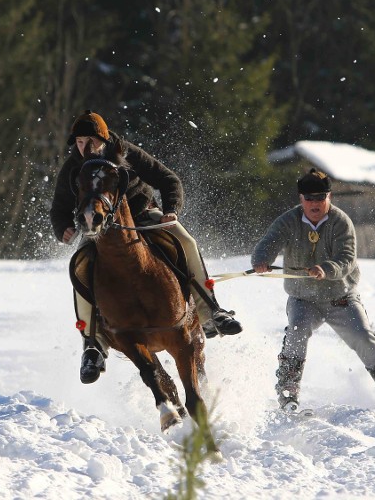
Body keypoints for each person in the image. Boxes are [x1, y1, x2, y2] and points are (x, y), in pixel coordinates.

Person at [50, 110, 242, 384]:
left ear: (103, 139)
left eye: (90, 141)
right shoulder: (73, 166)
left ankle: (211, 311)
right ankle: (93, 344)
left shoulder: (126, 153)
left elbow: (169, 180)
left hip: (143, 217)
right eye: (79, 142)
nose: (85, 148)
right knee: (80, 265)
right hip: (99, 231)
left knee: (186, 241)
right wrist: (63, 228)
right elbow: (59, 208)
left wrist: (172, 211)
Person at [251, 168, 375, 415]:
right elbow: (267, 244)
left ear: (329, 197)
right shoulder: (287, 220)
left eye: (320, 198)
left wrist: (326, 269)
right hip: (303, 299)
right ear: (300, 199)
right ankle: (288, 391)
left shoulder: (341, 222)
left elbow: (347, 259)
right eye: (309, 199)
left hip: (340, 298)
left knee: (363, 337)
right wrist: (261, 260)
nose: (315, 203)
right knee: (296, 331)